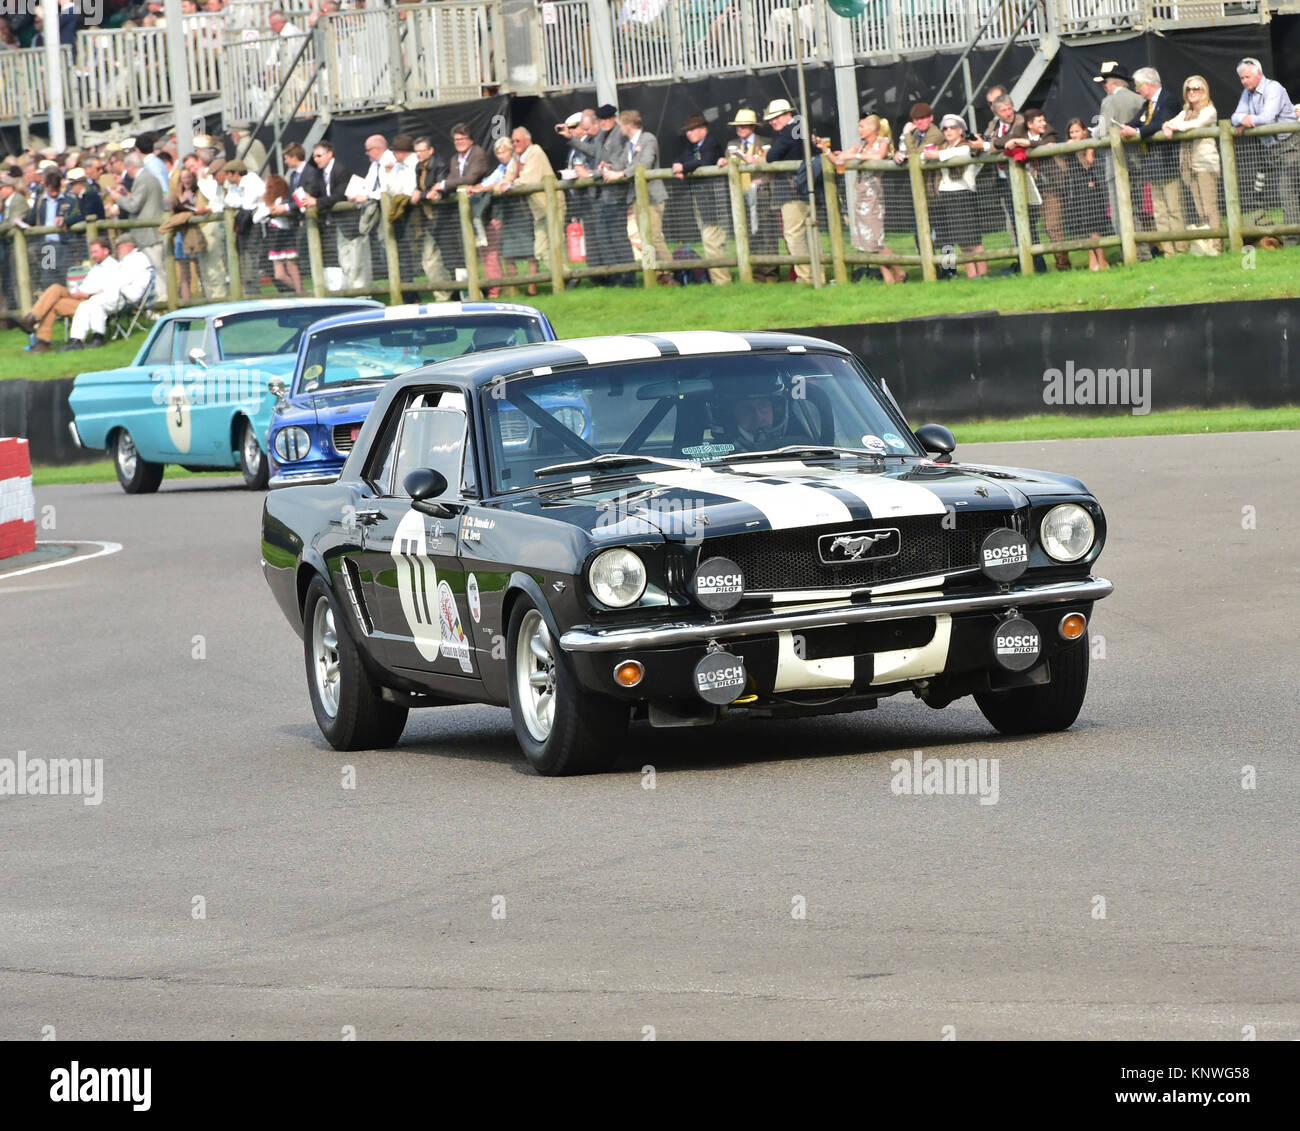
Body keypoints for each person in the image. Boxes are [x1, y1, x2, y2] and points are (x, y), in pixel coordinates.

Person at [1230, 57, 1300, 245]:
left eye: (1248, 77)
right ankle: (1293, 239)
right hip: (1274, 150)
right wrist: (1243, 119)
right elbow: (1234, 116)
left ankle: (1293, 241)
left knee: (1287, 192)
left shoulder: (1273, 88)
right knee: (1289, 193)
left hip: (1293, 145)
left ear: (1259, 74)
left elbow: (1268, 117)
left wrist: (1248, 119)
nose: (1245, 81)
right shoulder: (1247, 93)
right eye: (1242, 78)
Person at [598, 110, 670, 284]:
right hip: (638, 199)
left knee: (654, 238)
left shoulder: (648, 139)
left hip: (652, 197)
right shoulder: (629, 144)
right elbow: (620, 164)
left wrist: (620, 174)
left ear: (627, 126)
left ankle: (670, 273)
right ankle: (651, 273)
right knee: (645, 240)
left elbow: (645, 163)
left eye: (621, 125)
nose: (620, 128)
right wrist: (608, 167)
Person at [1120, 66, 1185, 256]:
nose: (1137, 89)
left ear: (1149, 84)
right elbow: (1137, 121)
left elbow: (1160, 123)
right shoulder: (1147, 104)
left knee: (1173, 208)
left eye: (1138, 85)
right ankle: (1168, 251)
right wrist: (1125, 128)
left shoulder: (1168, 100)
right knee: (1159, 210)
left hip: (1168, 162)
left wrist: (1137, 133)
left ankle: (1181, 248)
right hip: (1153, 164)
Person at [832, 114, 903, 284]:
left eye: (862, 126)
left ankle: (899, 271)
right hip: (861, 197)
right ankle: (888, 278)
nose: (859, 130)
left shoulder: (883, 142)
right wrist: (825, 149)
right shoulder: (860, 145)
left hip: (874, 198)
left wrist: (855, 157)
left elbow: (878, 156)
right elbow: (839, 159)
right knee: (869, 242)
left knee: (876, 241)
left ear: (872, 128)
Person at [16, 236, 119, 353]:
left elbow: (108, 291)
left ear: (106, 250)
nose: (93, 255)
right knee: (55, 289)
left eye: (95, 251)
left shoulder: (113, 267)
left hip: (92, 302)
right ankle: (35, 325)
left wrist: (86, 293)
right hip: (79, 296)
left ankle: (40, 336)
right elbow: (85, 285)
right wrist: (78, 292)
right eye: (92, 252)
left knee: (54, 302)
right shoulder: (95, 267)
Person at [568, 103, 634, 285]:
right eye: (601, 120)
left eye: (607, 119)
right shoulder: (602, 137)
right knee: (608, 236)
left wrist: (592, 173)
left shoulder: (622, 135)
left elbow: (623, 163)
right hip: (605, 195)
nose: (604, 122)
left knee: (638, 239)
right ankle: (615, 277)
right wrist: (570, 139)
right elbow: (594, 153)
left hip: (624, 194)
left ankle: (637, 275)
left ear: (615, 119)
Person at [298, 140, 368, 290]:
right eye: (314, 156)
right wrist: (308, 197)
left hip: (352, 222)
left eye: (319, 155)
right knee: (345, 260)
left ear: (330, 154)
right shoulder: (320, 173)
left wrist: (316, 201)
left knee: (357, 261)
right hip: (338, 224)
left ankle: (362, 293)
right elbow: (315, 191)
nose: (316, 159)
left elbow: (339, 196)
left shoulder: (340, 169)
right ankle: (352, 292)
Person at [501, 126, 566, 287]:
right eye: (513, 141)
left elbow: (528, 180)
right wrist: (505, 184)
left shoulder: (535, 152)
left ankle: (565, 278)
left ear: (527, 141)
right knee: (541, 250)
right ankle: (567, 276)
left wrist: (509, 185)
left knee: (555, 245)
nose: (515, 144)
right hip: (538, 210)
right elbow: (507, 177)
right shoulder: (517, 157)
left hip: (552, 206)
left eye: (518, 140)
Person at [719, 107, 777, 282]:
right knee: (748, 236)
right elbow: (728, 163)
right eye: (738, 126)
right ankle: (755, 275)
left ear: (752, 127)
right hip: (740, 198)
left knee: (767, 235)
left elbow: (771, 169)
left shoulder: (766, 142)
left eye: (743, 126)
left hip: (762, 196)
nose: (739, 129)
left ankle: (771, 275)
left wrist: (762, 181)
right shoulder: (731, 145)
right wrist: (723, 161)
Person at [1163, 74, 1220, 253]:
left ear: (1204, 91)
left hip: (1205, 164)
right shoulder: (1185, 112)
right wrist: (1167, 126)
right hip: (1189, 166)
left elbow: (1197, 124)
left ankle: (1217, 246)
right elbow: (1172, 122)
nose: (1192, 92)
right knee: (1200, 208)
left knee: (1210, 207)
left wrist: (1174, 127)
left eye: (1197, 88)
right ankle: (1207, 246)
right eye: (1189, 89)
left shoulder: (1209, 110)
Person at [926, 114, 987, 279]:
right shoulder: (944, 147)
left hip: (963, 193)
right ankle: (970, 275)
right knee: (961, 240)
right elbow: (928, 155)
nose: (948, 131)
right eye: (945, 128)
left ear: (961, 130)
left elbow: (964, 153)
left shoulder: (966, 146)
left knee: (973, 239)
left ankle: (983, 273)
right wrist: (935, 154)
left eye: (952, 127)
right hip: (946, 194)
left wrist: (937, 156)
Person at [672, 114, 729, 285]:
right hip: (701, 199)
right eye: (687, 131)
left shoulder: (710, 142)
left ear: (703, 129)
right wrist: (680, 165)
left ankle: (721, 281)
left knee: (712, 240)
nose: (689, 134)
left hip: (712, 199)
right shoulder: (693, 146)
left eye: (692, 130)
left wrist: (684, 167)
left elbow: (704, 162)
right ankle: (718, 278)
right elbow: (681, 158)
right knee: (709, 239)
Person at [764, 98, 815, 284]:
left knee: (794, 235)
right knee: (811, 233)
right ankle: (817, 274)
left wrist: (765, 155)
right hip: (807, 189)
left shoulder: (788, 132)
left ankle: (806, 276)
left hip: (793, 192)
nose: (772, 122)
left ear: (787, 115)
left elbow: (771, 157)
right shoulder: (802, 128)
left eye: (775, 117)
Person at [475, 136, 531, 297]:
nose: (501, 155)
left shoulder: (516, 164)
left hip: (517, 213)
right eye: (498, 153)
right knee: (503, 253)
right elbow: (489, 182)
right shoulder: (500, 168)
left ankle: (527, 286)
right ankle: (509, 287)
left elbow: (500, 184)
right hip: (503, 214)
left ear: (511, 151)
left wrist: (482, 189)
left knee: (526, 253)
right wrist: (475, 188)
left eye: (504, 152)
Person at [1019, 108, 1071, 271]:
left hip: (1050, 186)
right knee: (1025, 226)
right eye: (1039, 121)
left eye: (1043, 120)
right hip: (1028, 186)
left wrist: (1027, 144)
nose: (1043, 123)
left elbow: (1046, 145)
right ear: (1029, 124)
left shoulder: (1049, 132)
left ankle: (1063, 264)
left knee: (1052, 226)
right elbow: (1002, 142)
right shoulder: (1019, 132)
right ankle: (1032, 266)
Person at [113, 152, 167, 298]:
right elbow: (141, 202)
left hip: (149, 235)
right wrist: (127, 195)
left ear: (130, 167)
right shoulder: (148, 178)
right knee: (157, 270)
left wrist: (118, 198)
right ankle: (160, 303)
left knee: (157, 270)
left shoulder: (143, 179)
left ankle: (162, 304)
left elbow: (133, 206)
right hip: (150, 233)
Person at [409, 135, 453, 301]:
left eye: (422, 150)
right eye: (417, 151)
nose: (419, 154)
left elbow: (438, 190)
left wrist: (421, 195)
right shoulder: (419, 167)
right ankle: (442, 294)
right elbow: (424, 190)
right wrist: (419, 192)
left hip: (444, 219)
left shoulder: (440, 165)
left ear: (431, 150)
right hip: (427, 219)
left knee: (451, 259)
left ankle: (452, 293)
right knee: (430, 258)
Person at [1064, 119, 1110, 270]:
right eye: (1072, 132)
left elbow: (1090, 162)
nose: (1074, 134)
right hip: (1077, 190)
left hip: (1092, 187)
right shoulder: (1068, 147)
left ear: (1084, 131)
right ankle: (1092, 258)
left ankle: (1102, 259)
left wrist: (1084, 149)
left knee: (1095, 224)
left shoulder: (1090, 143)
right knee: (1085, 225)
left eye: (1077, 131)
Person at [27, 168, 75, 289]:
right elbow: (32, 219)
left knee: (66, 277)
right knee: (49, 278)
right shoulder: (40, 202)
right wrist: (21, 220)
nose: (54, 193)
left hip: (64, 245)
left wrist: (65, 221)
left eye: (56, 189)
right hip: (47, 246)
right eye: (51, 189)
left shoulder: (70, 200)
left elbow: (76, 217)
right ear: (46, 186)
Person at [254, 173, 301, 293]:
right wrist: (268, 210)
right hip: (274, 237)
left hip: (286, 234)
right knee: (279, 274)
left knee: (292, 266)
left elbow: (288, 213)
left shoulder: (284, 199)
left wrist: (275, 210)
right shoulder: (266, 203)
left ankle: (301, 293)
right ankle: (301, 291)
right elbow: (256, 218)